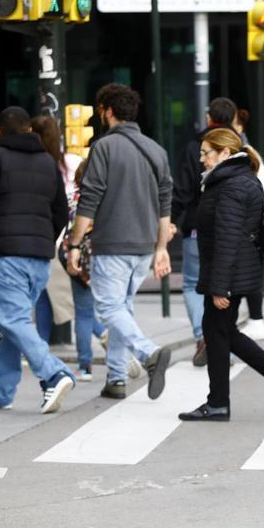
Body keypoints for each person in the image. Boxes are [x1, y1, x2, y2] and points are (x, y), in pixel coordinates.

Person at [178, 129, 264, 421]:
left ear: (224, 153)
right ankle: (228, 397)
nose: (201, 158)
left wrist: (220, 287)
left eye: (206, 152)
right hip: (233, 271)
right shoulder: (231, 181)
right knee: (219, 332)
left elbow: (228, 239)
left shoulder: (231, 186)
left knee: (218, 330)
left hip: (229, 274)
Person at [67, 83, 175, 401]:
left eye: (101, 111)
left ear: (108, 111)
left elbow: (90, 199)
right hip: (143, 246)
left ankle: (149, 353)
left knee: (110, 308)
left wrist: (75, 244)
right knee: (122, 309)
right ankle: (116, 378)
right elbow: (165, 201)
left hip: (112, 243)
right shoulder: (157, 150)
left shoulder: (104, 147)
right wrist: (161, 248)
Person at [0, 107, 75, 413]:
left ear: (0, 132)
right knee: (13, 320)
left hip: (5, 254)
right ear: (29, 130)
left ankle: (54, 374)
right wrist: (45, 240)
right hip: (40, 257)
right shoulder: (48, 162)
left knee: (12, 319)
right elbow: (60, 212)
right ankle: (0, 392)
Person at [172, 97, 238, 366]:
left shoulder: (193, 147)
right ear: (233, 120)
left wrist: (172, 220)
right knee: (224, 287)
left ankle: (203, 336)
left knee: (191, 284)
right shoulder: (242, 148)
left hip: (198, 228)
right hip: (231, 231)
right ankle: (220, 340)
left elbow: (183, 189)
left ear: (210, 119)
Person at [236, 108, 264, 342]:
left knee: (246, 275)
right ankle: (255, 320)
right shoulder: (252, 157)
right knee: (253, 274)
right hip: (258, 229)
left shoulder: (240, 158)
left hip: (249, 232)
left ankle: (255, 321)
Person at [31, 116, 76, 351]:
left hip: (45, 239)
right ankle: (40, 345)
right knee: (51, 296)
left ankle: (103, 332)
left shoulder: (40, 164)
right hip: (61, 238)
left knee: (50, 297)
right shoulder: (66, 162)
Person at [65, 160, 106, 382]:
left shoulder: (74, 199)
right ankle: (121, 357)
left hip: (79, 260)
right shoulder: (104, 198)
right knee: (112, 307)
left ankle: (85, 366)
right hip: (104, 256)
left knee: (83, 312)